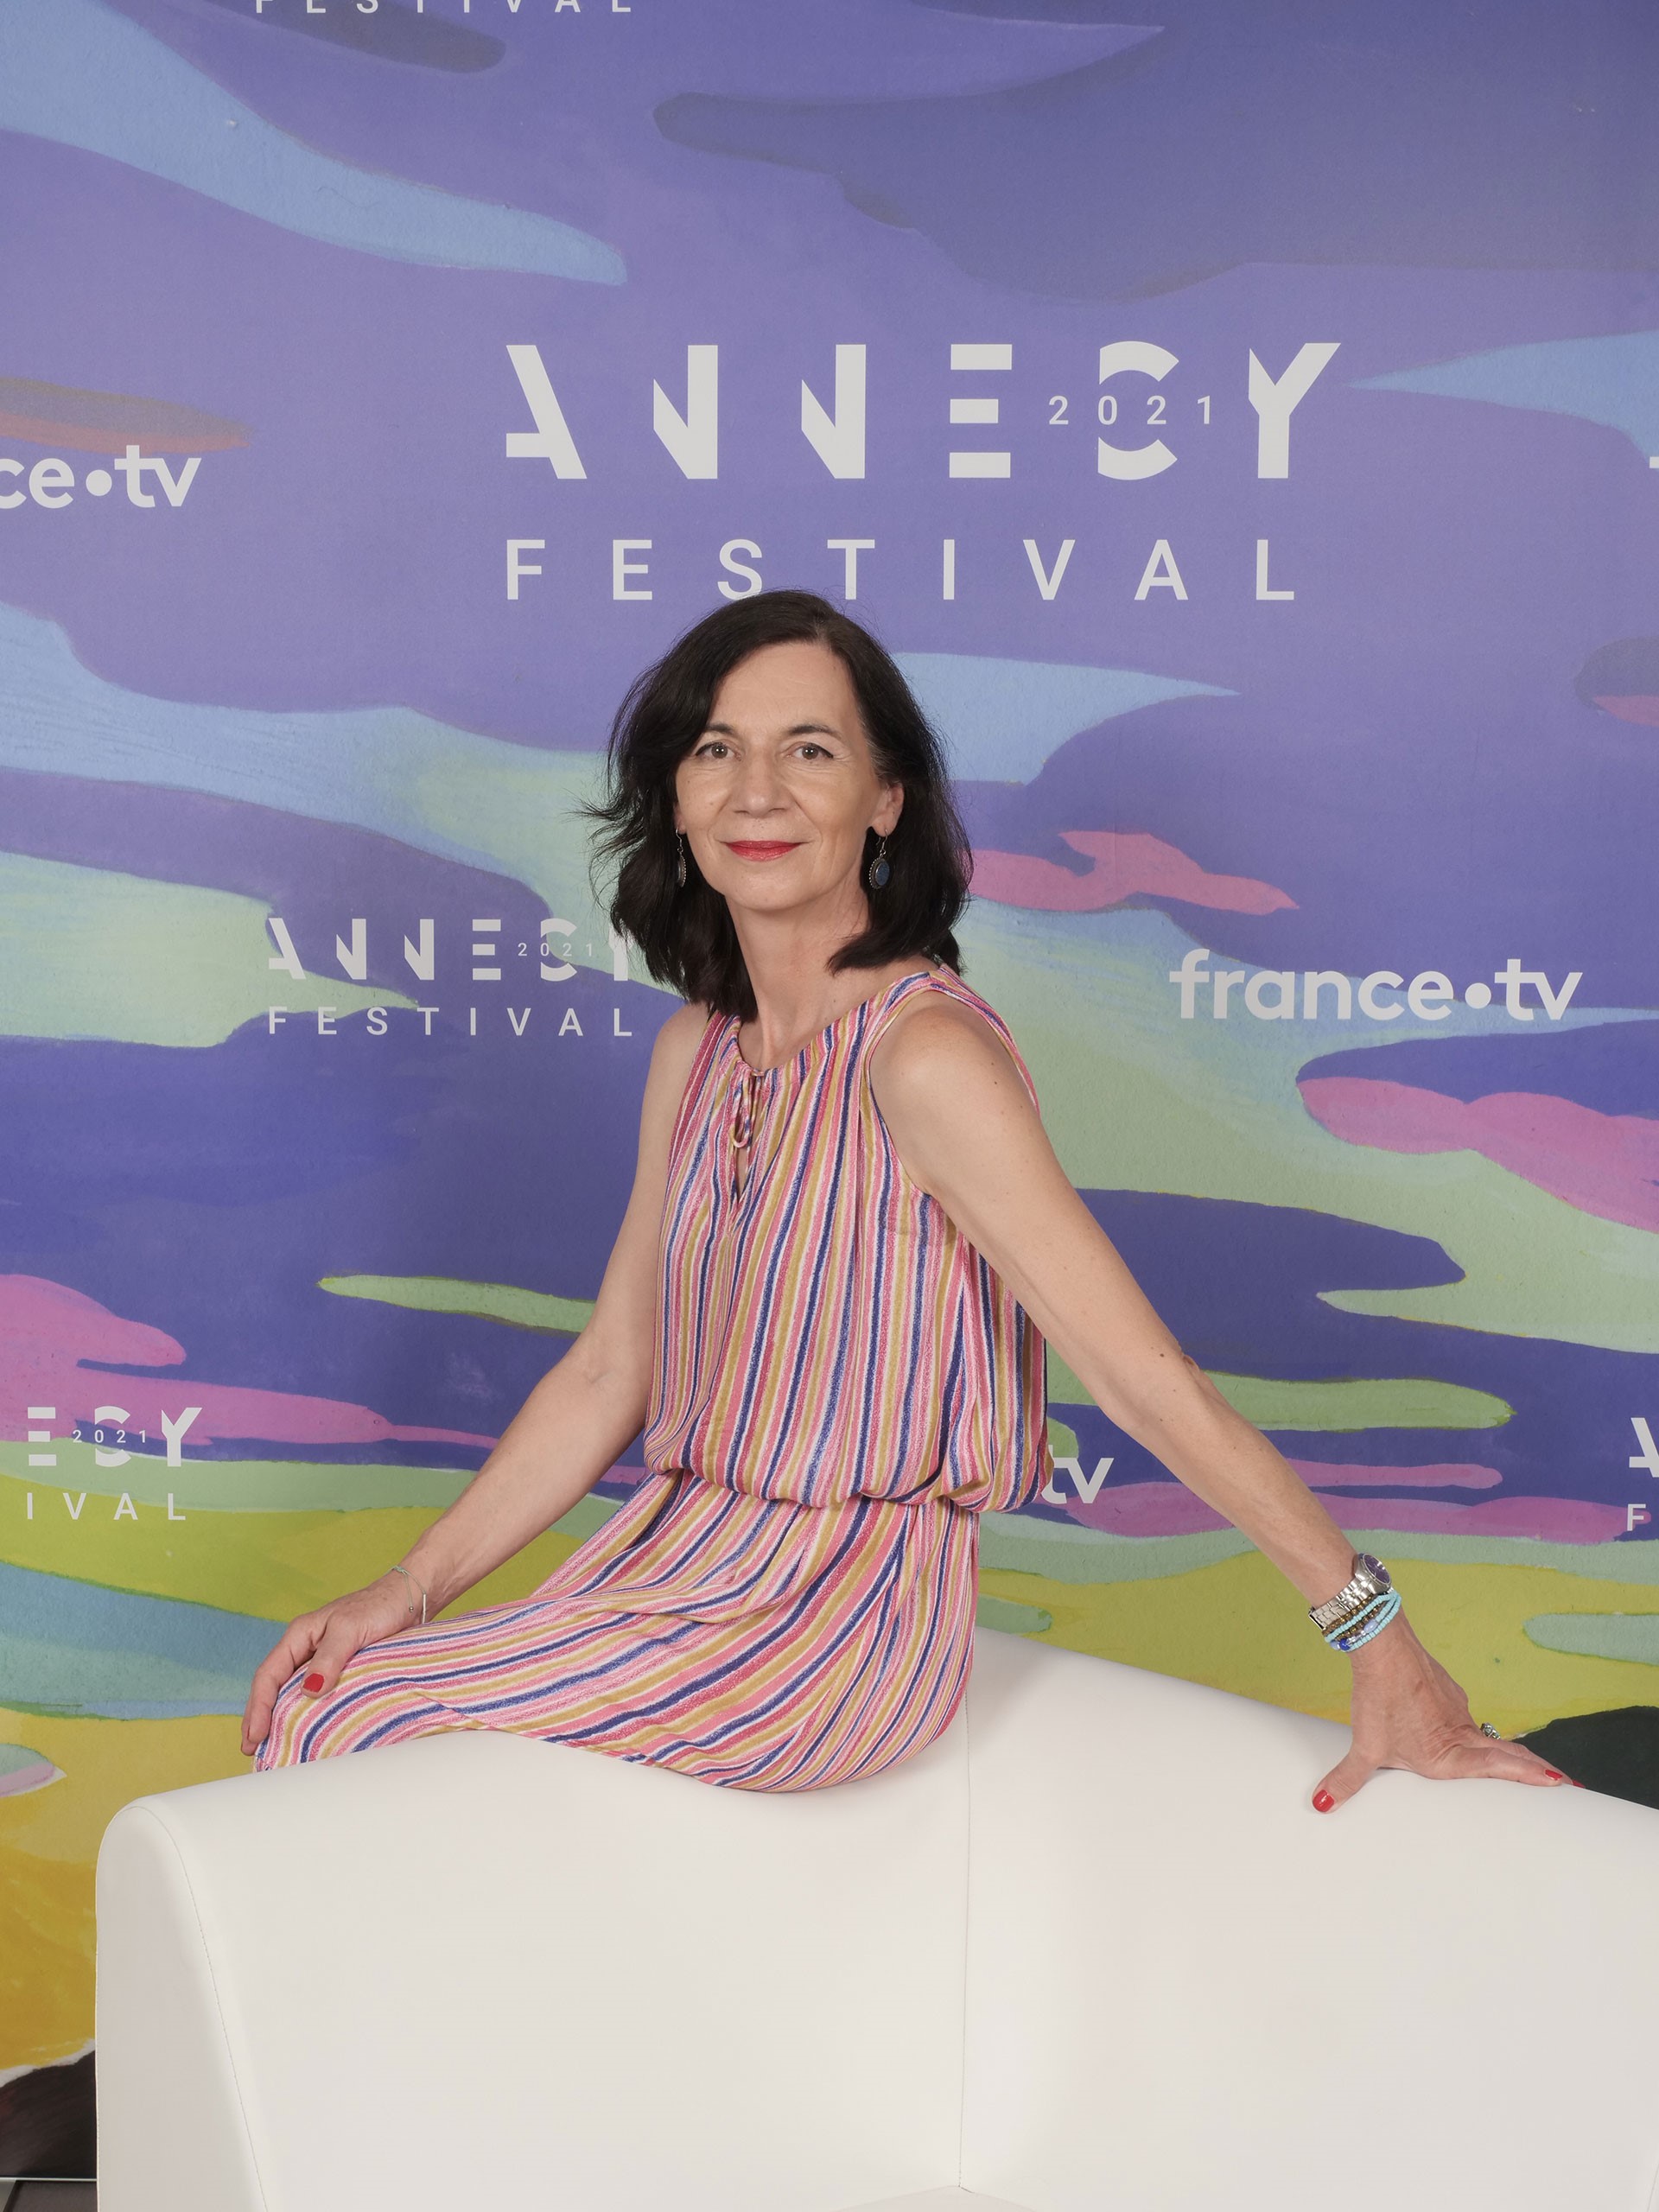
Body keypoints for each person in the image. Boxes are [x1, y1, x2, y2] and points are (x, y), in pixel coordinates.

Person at [244, 589, 1570, 1810]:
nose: (758, 791)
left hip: (838, 1620)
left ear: (885, 798)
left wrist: (1377, 1636)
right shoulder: (694, 1053)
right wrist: (410, 1588)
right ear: (676, 795)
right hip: (665, 1569)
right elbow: (610, 1370)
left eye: (810, 750)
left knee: (357, 1727)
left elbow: (1144, 1381)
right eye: (716, 749)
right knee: (324, 1698)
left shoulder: (926, 1057)